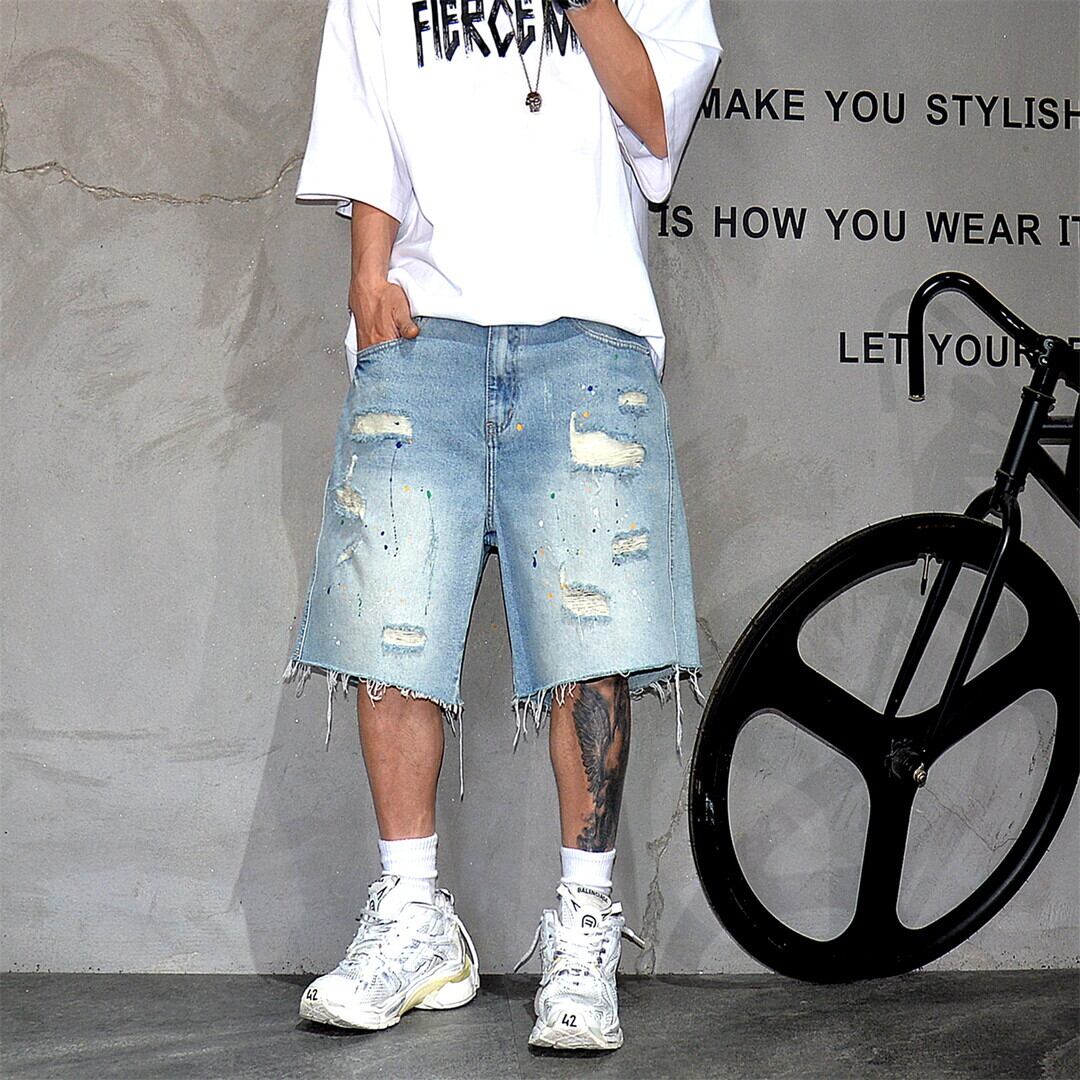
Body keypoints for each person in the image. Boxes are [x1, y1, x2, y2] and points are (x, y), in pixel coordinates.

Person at [281, 0, 722, 1052]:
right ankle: (413, 916)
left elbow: (659, 119)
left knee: (589, 634)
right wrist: (367, 278)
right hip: (424, 321)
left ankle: (584, 929)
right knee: (388, 620)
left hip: (586, 323)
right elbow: (368, 127)